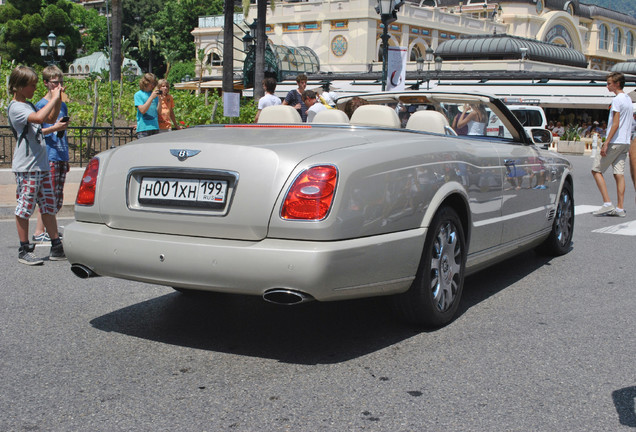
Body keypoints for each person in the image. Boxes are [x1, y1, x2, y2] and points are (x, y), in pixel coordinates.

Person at [6, 65, 66, 265]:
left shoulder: (29, 104)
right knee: (25, 207)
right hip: (27, 166)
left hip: (41, 165)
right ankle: (24, 248)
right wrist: (54, 96)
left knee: (48, 206)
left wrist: (56, 99)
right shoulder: (16, 107)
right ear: (19, 86)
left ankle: (56, 245)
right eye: (31, 85)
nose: (34, 88)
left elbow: (49, 119)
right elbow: (40, 118)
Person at [31, 65, 70, 243]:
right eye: (55, 83)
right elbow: (37, 131)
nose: (59, 86)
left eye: (60, 82)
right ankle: (39, 231)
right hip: (49, 154)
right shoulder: (40, 105)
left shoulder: (62, 105)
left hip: (60, 153)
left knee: (57, 197)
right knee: (48, 196)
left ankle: (49, 230)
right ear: (46, 83)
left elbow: (62, 130)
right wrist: (54, 127)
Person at [591, 72, 633, 218]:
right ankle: (620, 208)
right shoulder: (628, 99)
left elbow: (615, 123)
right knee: (619, 174)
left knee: (596, 170)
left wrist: (606, 142)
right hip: (625, 141)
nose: (607, 85)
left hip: (615, 141)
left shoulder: (617, 100)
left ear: (617, 84)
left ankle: (607, 203)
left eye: (609, 83)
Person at [134, 73, 160, 139]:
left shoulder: (155, 95)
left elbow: (158, 112)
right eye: (152, 83)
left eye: (155, 83)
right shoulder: (138, 95)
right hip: (143, 129)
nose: (153, 85)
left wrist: (161, 100)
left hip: (155, 127)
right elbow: (142, 110)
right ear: (145, 83)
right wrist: (151, 98)